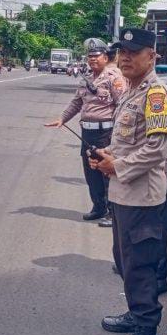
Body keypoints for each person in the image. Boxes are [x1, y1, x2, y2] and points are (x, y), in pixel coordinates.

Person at [88, 28, 167, 335]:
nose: (124, 57)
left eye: (132, 52)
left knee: (140, 267)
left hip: (142, 197)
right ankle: (134, 313)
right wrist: (105, 153)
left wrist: (116, 165)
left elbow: (157, 150)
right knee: (125, 261)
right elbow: (128, 141)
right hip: (124, 193)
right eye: (121, 51)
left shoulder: (155, 95)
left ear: (151, 56)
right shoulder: (131, 91)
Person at [45, 38, 126, 223]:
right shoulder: (87, 79)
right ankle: (98, 207)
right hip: (88, 133)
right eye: (90, 57)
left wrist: (119, 135)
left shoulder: (114, 77)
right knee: (91, 172)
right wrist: (62, 118)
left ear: (105, 57)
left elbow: (122, 105)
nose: (92, 60)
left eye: (96, 56)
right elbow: (76, 102)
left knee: (108, 173)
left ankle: (113, 213)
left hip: (107, 133)